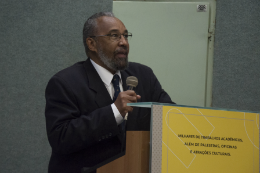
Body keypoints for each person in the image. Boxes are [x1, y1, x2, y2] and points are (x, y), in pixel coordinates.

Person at [45, 12, 174, 173]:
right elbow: (61, 138)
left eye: (126, 36)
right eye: (115, 36)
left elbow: (171, 116)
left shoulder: (143, 75)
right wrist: (114, 112)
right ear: (92, 44)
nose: (124, 42)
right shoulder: (65, 82)